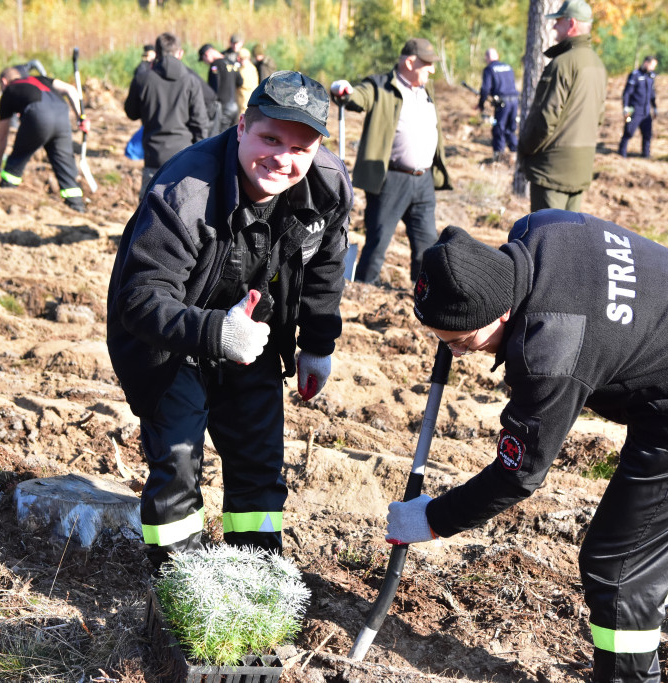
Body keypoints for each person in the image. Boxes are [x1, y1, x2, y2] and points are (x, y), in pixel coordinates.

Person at [386, 210, 668, 683]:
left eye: (463, 339)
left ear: (502, 311)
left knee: (617, 570)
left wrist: (432, 518)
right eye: (443, 339)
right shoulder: (541, 227)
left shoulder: (549, 350)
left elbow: (519, 474)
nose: (456, 352)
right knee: (635, 554)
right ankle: (647, 604)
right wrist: (452, 318)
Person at [106, 71, 353, 572]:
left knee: (260, 467)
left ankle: (254, 580)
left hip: (253, 338)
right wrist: (216, 332)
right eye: (270, 139)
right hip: (170, 341)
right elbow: (140, 300)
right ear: (242, 127)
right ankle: (182, 583)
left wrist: (318, 344)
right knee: (177, 463)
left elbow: (326, 263)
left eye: (301, 149)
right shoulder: (186, 190)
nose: (283, 159)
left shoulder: (326, 185)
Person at [329, 38, 452, 287]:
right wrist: (343, 90)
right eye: (427, 63)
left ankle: (423, 293)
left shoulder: (426, 92)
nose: (432, 69)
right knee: (378, 241)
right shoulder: (380, 86)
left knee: (427, 243)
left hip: (424, 181)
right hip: (391, 180)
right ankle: (364, 289)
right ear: (409, 61)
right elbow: (356, 98)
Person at [518, 0, 606, 212]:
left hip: (551, 169)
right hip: (581, 167)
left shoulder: (562, 64)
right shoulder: (598, 64)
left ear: (571, 24)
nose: (554, 26)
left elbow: (546, 119)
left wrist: (524, 149)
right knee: (570, 238)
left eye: (558, 21)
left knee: (546, 237)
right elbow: (599, 118)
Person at [0, 66, 89, 212]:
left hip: (38, 117)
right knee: (65, 166)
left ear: (4, 81)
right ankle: (77, 206)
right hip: (62, 117)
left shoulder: (8, 91)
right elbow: (70, 89)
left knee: (16, 161)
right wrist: (80, 117)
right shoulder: (41, 79)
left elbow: (2, 134)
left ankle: (5, 193)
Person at [125, 32, 210, 195]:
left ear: (156, 53)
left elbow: (131, 112)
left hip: (153, 155)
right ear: (180, 53)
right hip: (183, 155)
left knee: (148, 212)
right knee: (181, 211)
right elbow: (200, 123)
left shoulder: (143, 79)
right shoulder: (191, 81)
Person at [478, 48, 519, 160]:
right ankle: (515, 152)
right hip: (515, 100)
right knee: (511, 127)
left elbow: (485, 88)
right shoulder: (508, 67)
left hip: (503, 102)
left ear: (487, 57)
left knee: (499, 127)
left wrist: (481, 104)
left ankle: (499, 155)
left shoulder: (489, 69)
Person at [619, 55, 658, 158]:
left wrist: (655, 107)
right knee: (628, 132)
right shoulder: (635, 75)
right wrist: (625, 107)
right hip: (635, 110)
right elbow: (627, 93)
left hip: (646, 111)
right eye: (652, 65)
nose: (653, 68)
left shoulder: (651, 76)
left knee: (648, 135)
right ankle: (621, 154)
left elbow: (652, 93)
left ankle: (646, 155)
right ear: (646, 63)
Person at [199, 43, 243, 129]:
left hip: (223, 108)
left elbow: (214, 87)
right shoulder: (232, 63)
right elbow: (240, 82)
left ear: (207, 55)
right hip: (235, 107)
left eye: (203, 60)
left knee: (220, 138)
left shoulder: (215, 65)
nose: (205, 63)